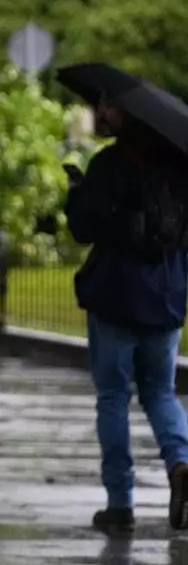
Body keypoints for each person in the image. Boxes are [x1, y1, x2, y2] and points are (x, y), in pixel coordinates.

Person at [65, 100, 188, 534]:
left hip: (116, 298)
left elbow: (82, 228)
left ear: (128, 117)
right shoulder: (179, 167)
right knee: (161, 392)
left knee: (113, 397)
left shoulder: (109, 165)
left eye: (110, 108)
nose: (102, 113)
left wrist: (77, 192)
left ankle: (120, 504)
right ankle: (181, 463)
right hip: (166, 298)